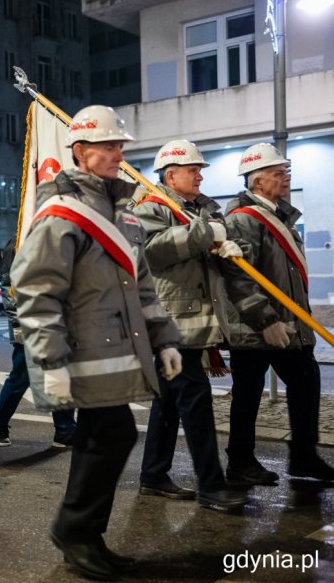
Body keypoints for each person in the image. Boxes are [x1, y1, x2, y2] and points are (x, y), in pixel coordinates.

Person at [12, 105, 181, 580]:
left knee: (106, 435)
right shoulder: (63, 215)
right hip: (83, 355)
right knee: (110, 434)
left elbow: (143, 289)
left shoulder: (122, 218)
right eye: (108, 146)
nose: (118, 153)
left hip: (113, 353)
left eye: (120, 145)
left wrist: (164, 339)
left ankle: (83, 535)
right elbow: (36, 290)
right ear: (81, 152)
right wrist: (51, 361)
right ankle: (76, 531)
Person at [132, 140, 248, 512]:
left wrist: (229, 245)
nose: (200, 175)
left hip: (192, 321)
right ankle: (212, 486)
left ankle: (153, 475)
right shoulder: (150, 206)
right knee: (195, 402)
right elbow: (150, 251)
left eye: (200, 170)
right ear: (170, 175)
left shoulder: (200, 209)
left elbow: (209, 244)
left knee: (168, 403)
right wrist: (206, 234)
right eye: (193, 170)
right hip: (170, 322)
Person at [223, 143, 334, 483]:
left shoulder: (279, 216)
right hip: (257, 327)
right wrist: (266, 320)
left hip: (289, 325)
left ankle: (302, 456)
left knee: (305, 382)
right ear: (257, 182)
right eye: (277, 173)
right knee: (248, 394)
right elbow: (239, 276)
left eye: (286, 172)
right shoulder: (244, 219)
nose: (285, 178)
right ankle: (241, 462)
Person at [0, 237, 76, 448]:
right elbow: (10, 287)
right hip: (30, 319)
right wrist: (18, 322)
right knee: (22, 376)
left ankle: (65, 431)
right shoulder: (18, 241)